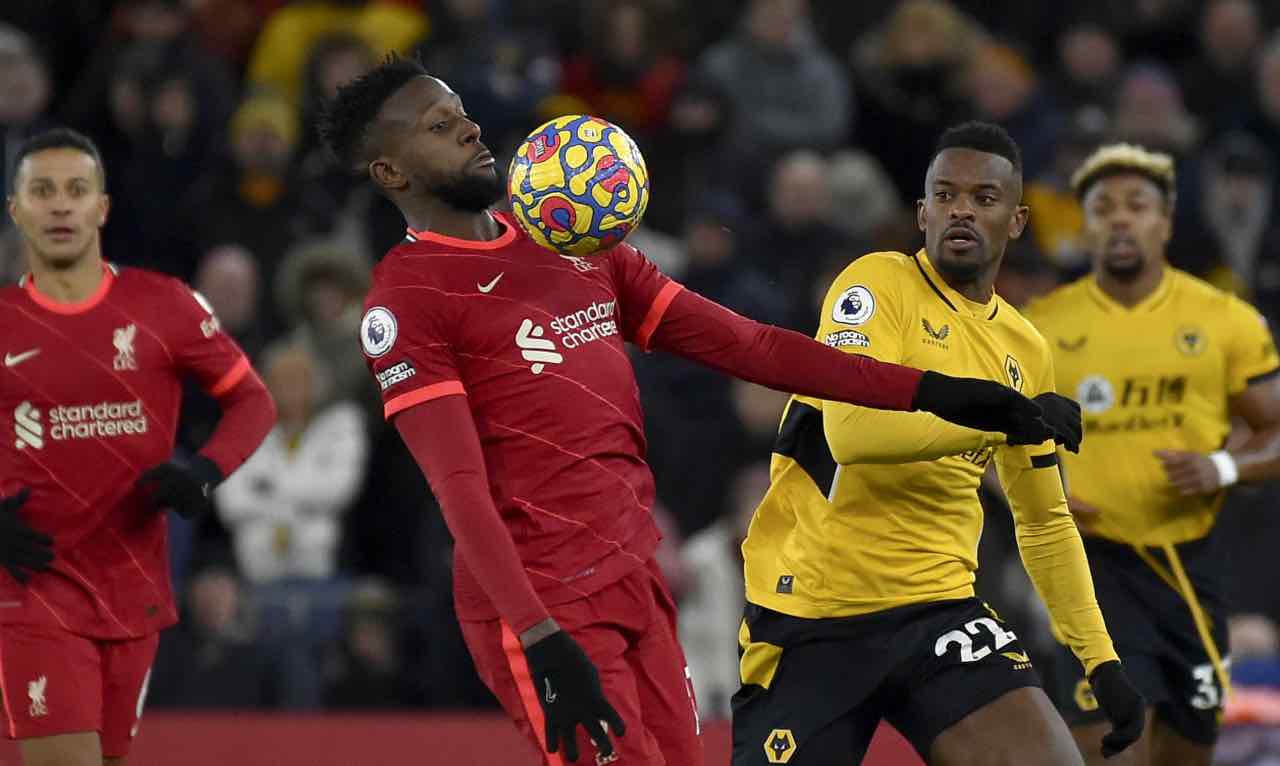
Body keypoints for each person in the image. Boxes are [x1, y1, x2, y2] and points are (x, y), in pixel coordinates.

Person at [318, 57, 1078, 766]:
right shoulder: (408, 301)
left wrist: (947, 393)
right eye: (439, 128)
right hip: (543, 601)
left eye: (461, 114)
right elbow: (460, 493)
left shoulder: (576, 239)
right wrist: (540, 636)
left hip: (635, 577)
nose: (471, 130)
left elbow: (756, 348)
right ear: (391, 171)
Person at [732, 122, 1145, 766]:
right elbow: (853, 433)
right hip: (814, 614)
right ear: (923, 212)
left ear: (1016, 220)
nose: (962, 210)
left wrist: (1099, 656)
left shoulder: (1023, 348)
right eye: (946, 195)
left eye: (984, 199)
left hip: (939, 613)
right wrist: (1001, 418)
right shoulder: (875, 286)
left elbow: (1042, 519)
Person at [0, 128, 275, 766]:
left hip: (135, 586)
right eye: (42, 191)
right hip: (31, 587)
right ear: (16, 210)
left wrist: (204, 472)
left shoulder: (164, 305)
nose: (61, 206)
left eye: (76, 190)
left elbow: (253, 401)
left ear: (103, 207)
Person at [1026, 143, 1280, 766]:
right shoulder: (1040, 327)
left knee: (1187, 752)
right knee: (1110, 747)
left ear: (1164, 223)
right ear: (1084, 226)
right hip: (1091, 569)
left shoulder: (1226, 320)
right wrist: (1033, 493)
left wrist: (1222, 467)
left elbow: (1276, 429)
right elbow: (978, 439)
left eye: (1136, 205)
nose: (1119, 218)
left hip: (1189, 567)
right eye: (1103, 207)